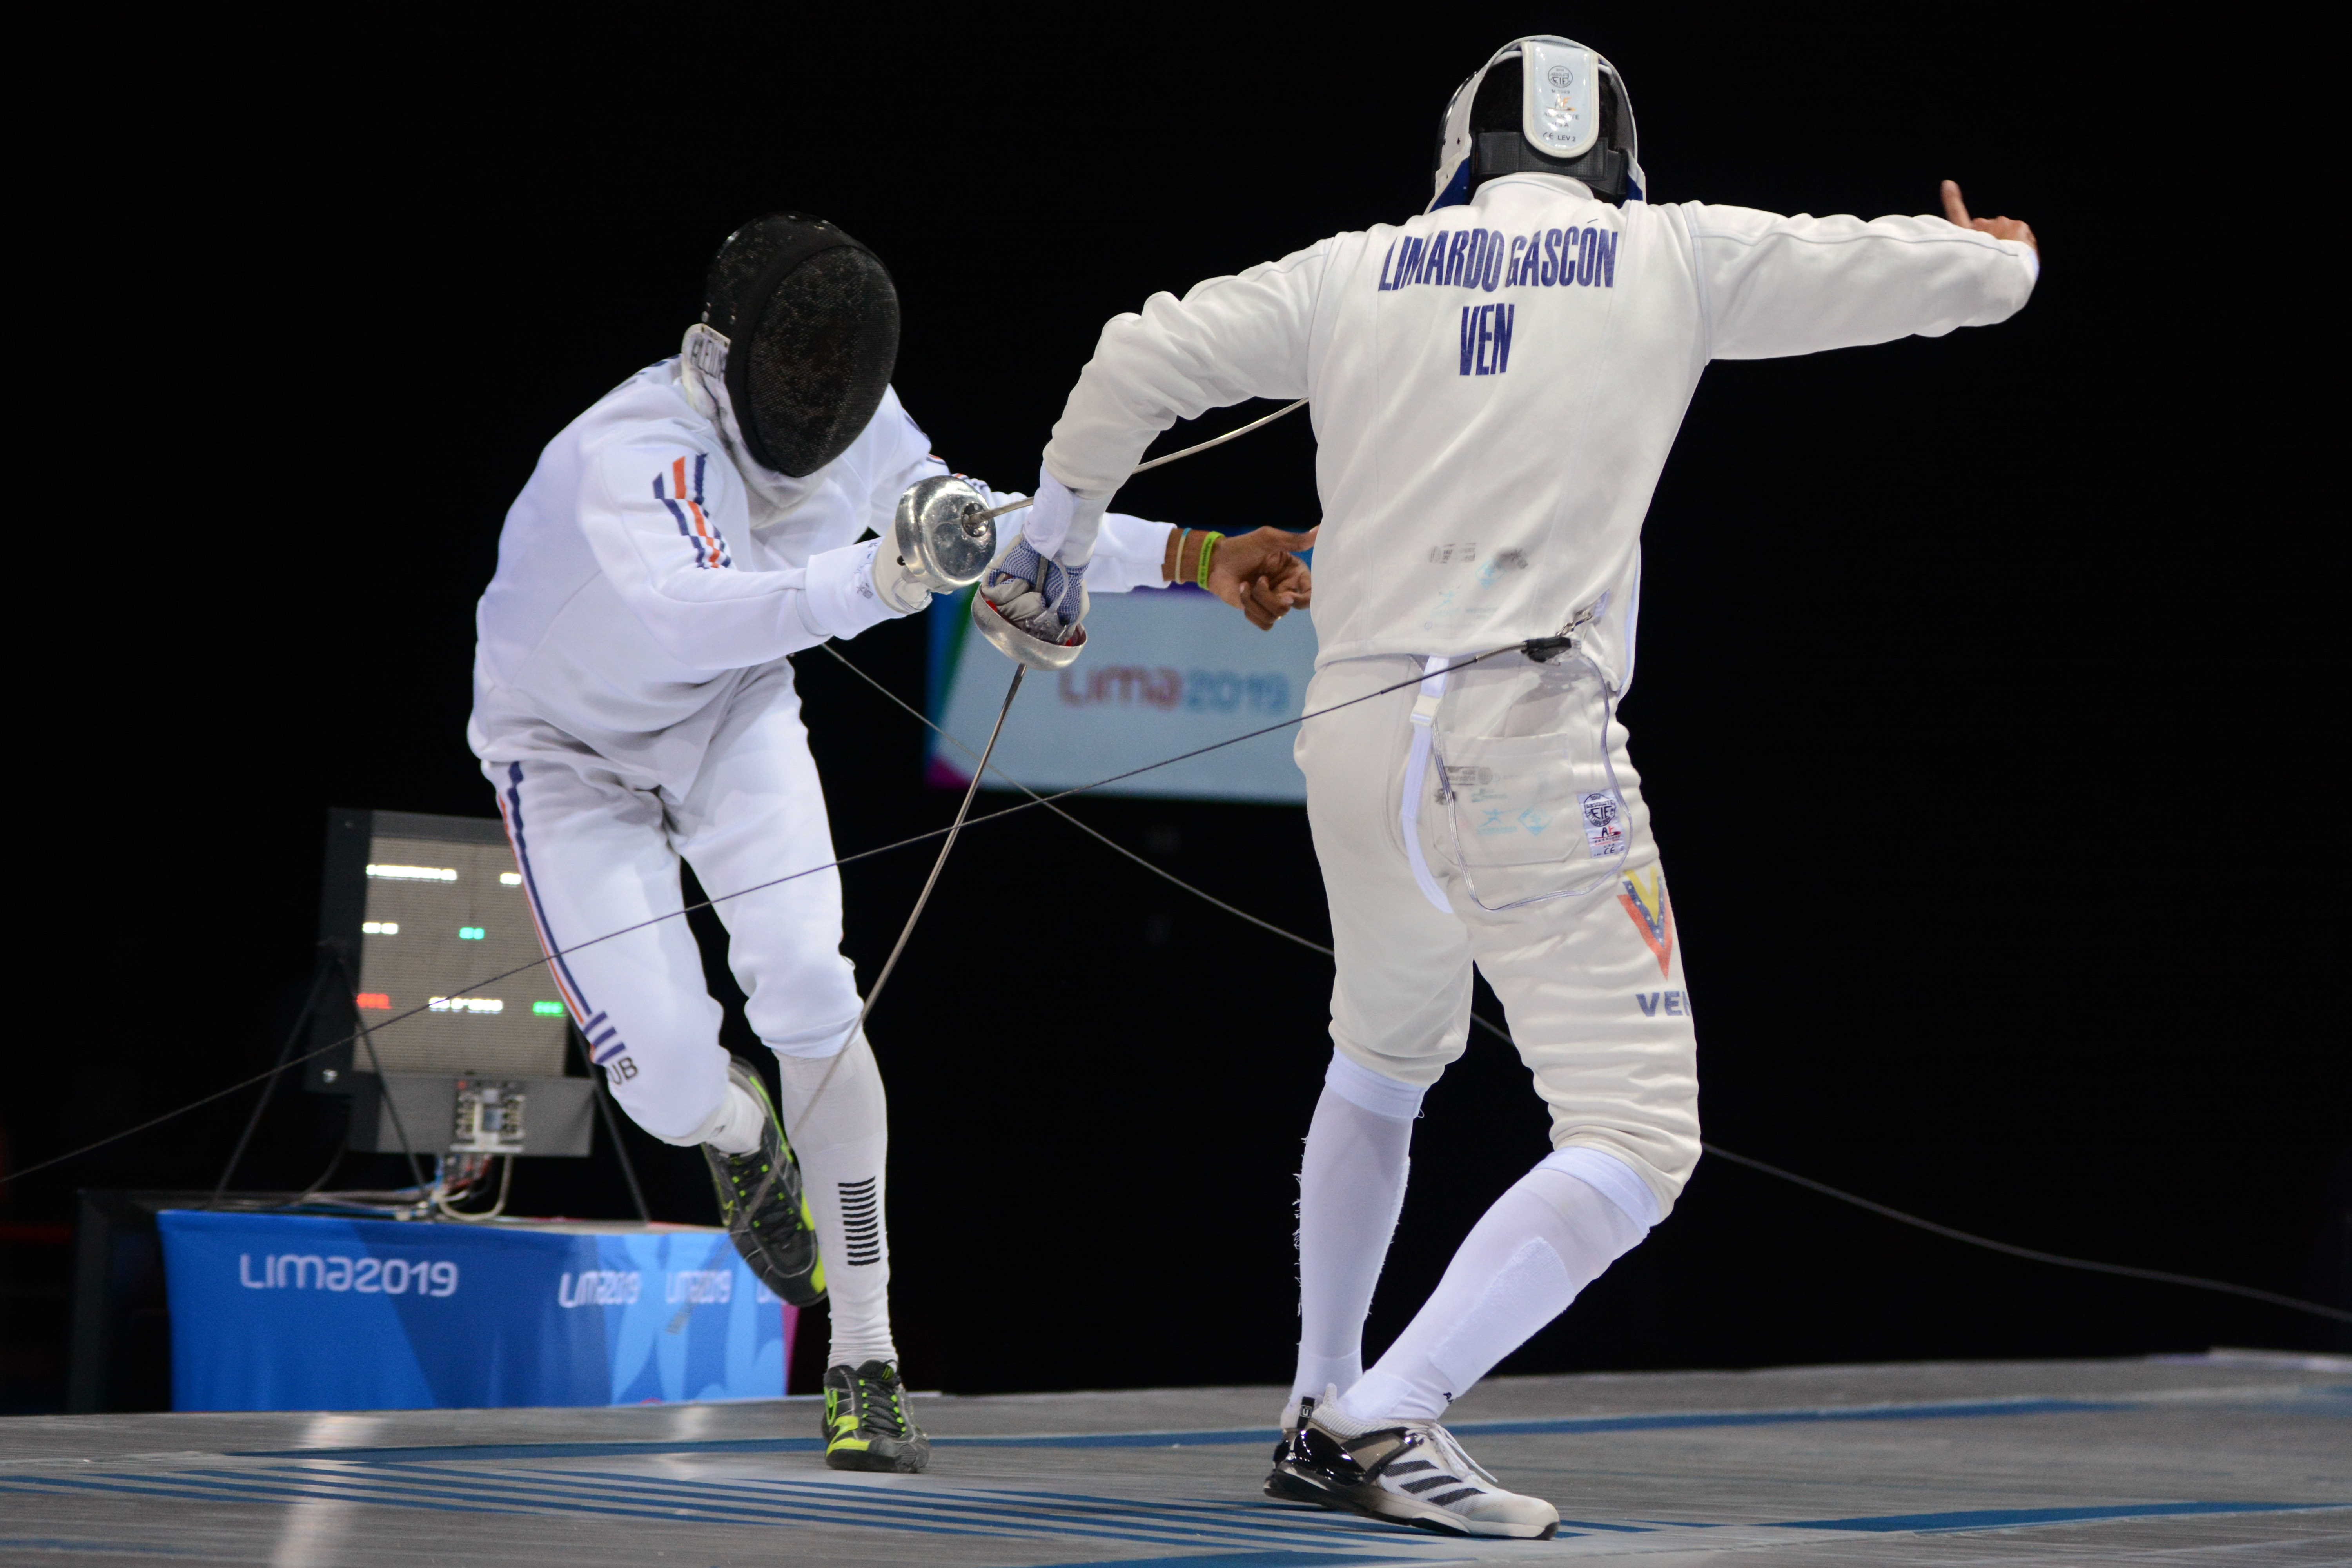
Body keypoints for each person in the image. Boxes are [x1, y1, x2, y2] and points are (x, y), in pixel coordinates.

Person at [1022, 37, 2037, 1537]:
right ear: (1619, 156)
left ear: (1458, 152)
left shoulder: (1356, 271)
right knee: (1637, 1140)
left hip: (1354, 742)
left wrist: (1055, 543)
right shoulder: (1670, 255)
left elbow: (1135, 351)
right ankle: (1383, 1418)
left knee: (1381, 1059)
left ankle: (1317, 1400)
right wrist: (1997, 267)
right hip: (1527, 746)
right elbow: (1916, 273)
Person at [467, 213, 1312, 1472]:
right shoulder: (632, 451)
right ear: (723, 353)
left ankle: (865, 1360)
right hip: (568, 755)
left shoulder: (855, 421)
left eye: (839, 382)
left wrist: (1197, 554)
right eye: (798, 376)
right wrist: (885, 581)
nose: (819, 404)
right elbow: (700, 615)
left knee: (813, 988)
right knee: (663, 1087)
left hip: (729, 722)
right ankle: (739, 1131)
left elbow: (986, 525)